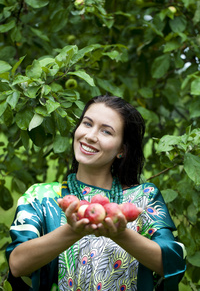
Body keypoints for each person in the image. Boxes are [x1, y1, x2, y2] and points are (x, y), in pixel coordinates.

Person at [6, 95, 186, 291]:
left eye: (106, 131)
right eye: (87, 124)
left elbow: (173, 263)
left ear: (122, 150)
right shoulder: (43, 196)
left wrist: (120, 234)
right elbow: (17, 264)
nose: (90, 136)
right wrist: (72, 231)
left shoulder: (143, 199)